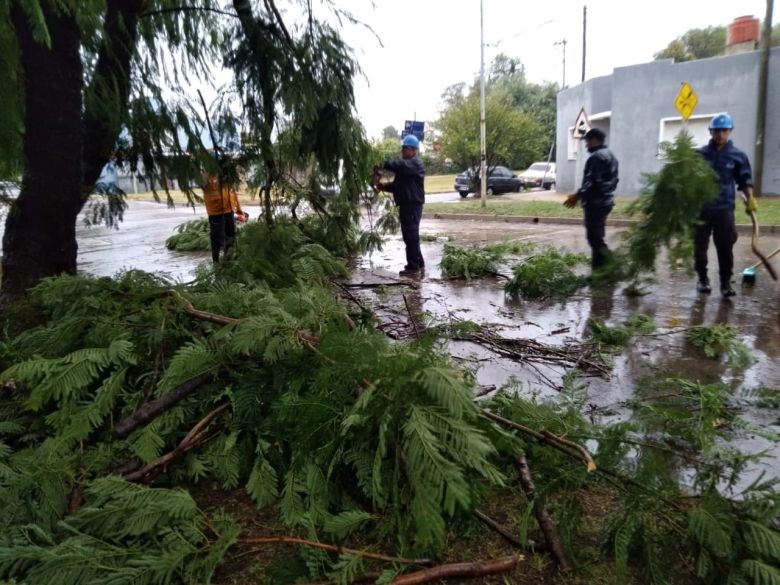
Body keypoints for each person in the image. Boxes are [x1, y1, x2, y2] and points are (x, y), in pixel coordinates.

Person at [694, 113, 757, 298]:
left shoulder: (738, 156)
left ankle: (725, 283)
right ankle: (703, 279)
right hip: (701, 209)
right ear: (711, 132)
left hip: (724, 208)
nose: (720, 134)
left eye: (724, 130)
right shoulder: (699, 155)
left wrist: (750, 199)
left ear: (730, 131)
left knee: (725, 246)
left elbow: (745, 180)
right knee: (700, 246)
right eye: (716, 130)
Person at [563, 127, 619, 271]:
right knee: (597, 236)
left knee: (594, 238)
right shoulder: (611, 155)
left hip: (595, 203)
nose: (586, 145)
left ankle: (607, 268)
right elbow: (614, 180)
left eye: (587, 141)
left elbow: (591, 182)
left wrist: (577, 195)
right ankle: (603, 270)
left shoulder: (596, 157)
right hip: (606, 201)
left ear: (594, 140)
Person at [374, 135, 426, 276]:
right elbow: (398, 186)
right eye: (402, 148)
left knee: (411, 235)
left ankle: (413, 267)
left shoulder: (415, 164)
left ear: (413, 150)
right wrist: (382, 186)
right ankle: (419, 263)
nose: (402, 151)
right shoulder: (407, 168)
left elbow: (399, 165)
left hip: (412, 204)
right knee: (410, 235)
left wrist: (382, 162)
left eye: (405, 148)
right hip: (406, 204)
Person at [202, 173, 245, 263]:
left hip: (229, 210)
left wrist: (239, 210)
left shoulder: (226, 173)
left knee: (230, 236)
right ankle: (216, 262)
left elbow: (232, 193)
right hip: (215, 212)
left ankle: (228, 260)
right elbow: (203, 183)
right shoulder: (207, 174)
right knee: (216, 238)